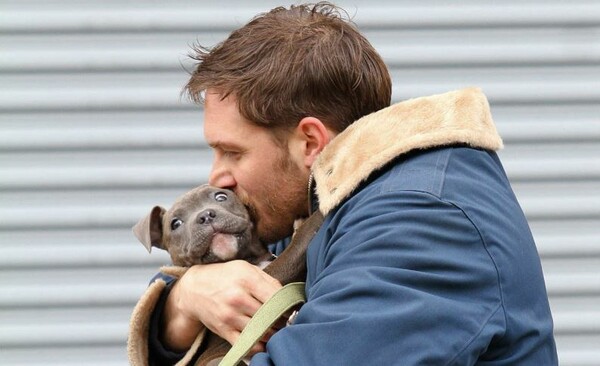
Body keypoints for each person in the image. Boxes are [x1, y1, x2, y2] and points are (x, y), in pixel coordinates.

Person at [128, 3, 558, 365]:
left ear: (310, 142)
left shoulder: (422, 220)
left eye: (232, 152)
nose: (216, 176)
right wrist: (185, 297)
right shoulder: (322, 206)